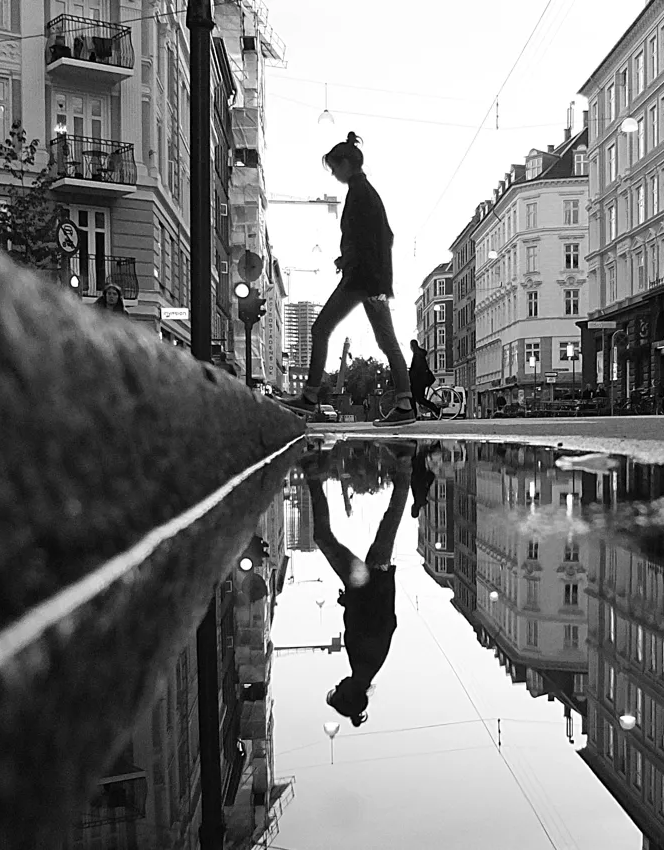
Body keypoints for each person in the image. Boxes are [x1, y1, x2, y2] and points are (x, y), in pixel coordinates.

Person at [281, 132, 415, 426]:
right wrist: (355, 261)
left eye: (334, 167)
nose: (333, 174)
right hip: (371, 279)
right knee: (386, 340)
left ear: (345, 164)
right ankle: (405, 403)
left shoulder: (360, 193)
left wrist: (354, 261)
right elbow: (382, 236)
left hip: (362, 280)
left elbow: (370, 238)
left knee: (321, 329)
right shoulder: (365, 191)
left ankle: (310, 396)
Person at [302, 443, 412, 727]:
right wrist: (355, 598)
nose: (338, 683)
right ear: (349, 693)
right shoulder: (364, 664)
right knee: (324, 538)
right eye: (339, 689)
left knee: (388, 524)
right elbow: (381, 622)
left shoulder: (365, 668)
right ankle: (313, 473)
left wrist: (353, 602)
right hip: (367, 581)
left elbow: (381, 623)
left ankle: (404, 466)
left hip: (371, 582)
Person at [409, 340, 443, 418]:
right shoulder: (419, 354)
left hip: (420, 381)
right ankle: (413, 414)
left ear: (412, 346)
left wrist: (410, 374)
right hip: (422, 379)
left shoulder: (417, 355)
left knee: (419, 399)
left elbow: (416, 369)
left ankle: (435, 409)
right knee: (415, 397)